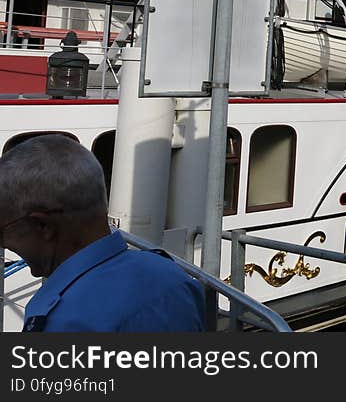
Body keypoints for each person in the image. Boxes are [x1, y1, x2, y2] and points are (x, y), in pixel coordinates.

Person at [0, 135, 205, 332]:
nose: (5, 245)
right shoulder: (173, 277)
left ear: (43, 226)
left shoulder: (63, 321)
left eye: (2, 232)